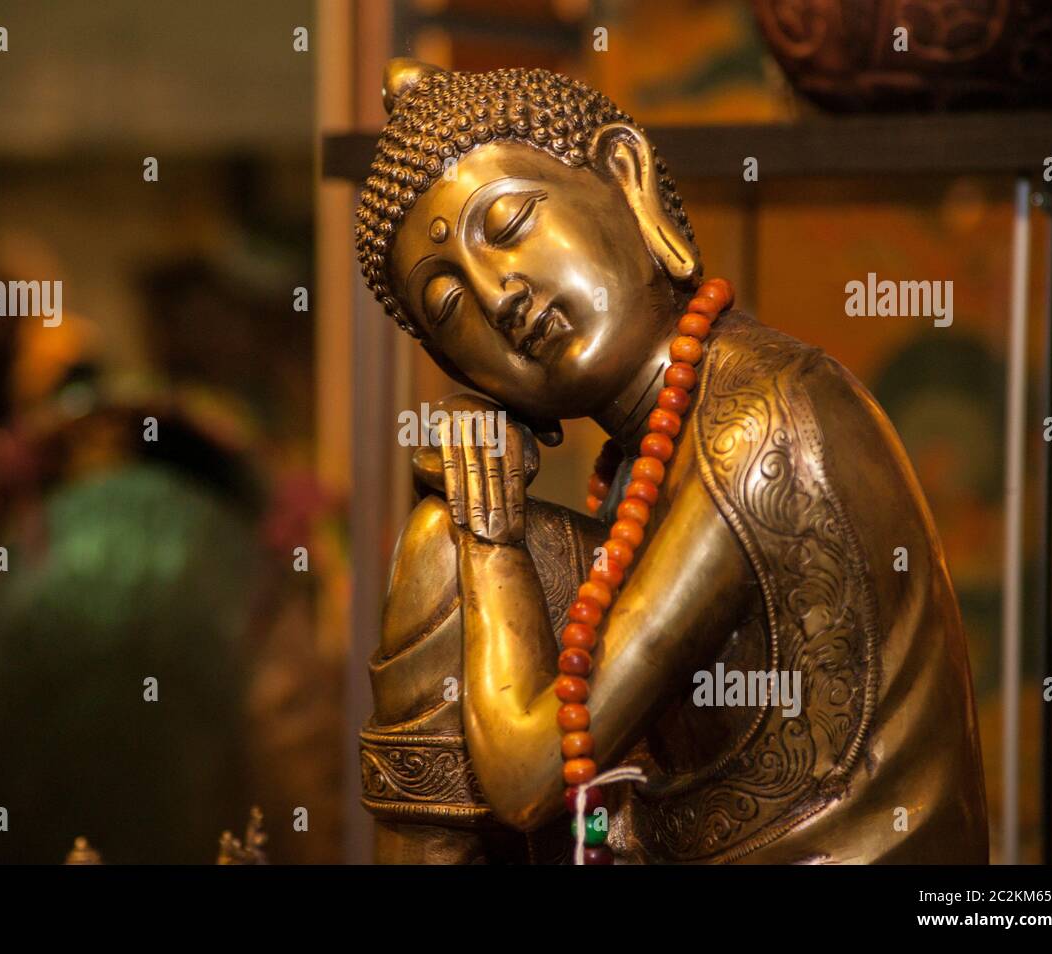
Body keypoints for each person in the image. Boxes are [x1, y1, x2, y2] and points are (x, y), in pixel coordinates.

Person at [355, 61, 988, 864]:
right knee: (437, 551)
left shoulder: (760, 422)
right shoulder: (650, 446)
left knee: (454, 548)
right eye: (446, 307)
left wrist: (489, 540)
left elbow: (528, 773)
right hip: (679, 842)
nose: (497, 295)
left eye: (510, 223)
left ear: (626, 178)